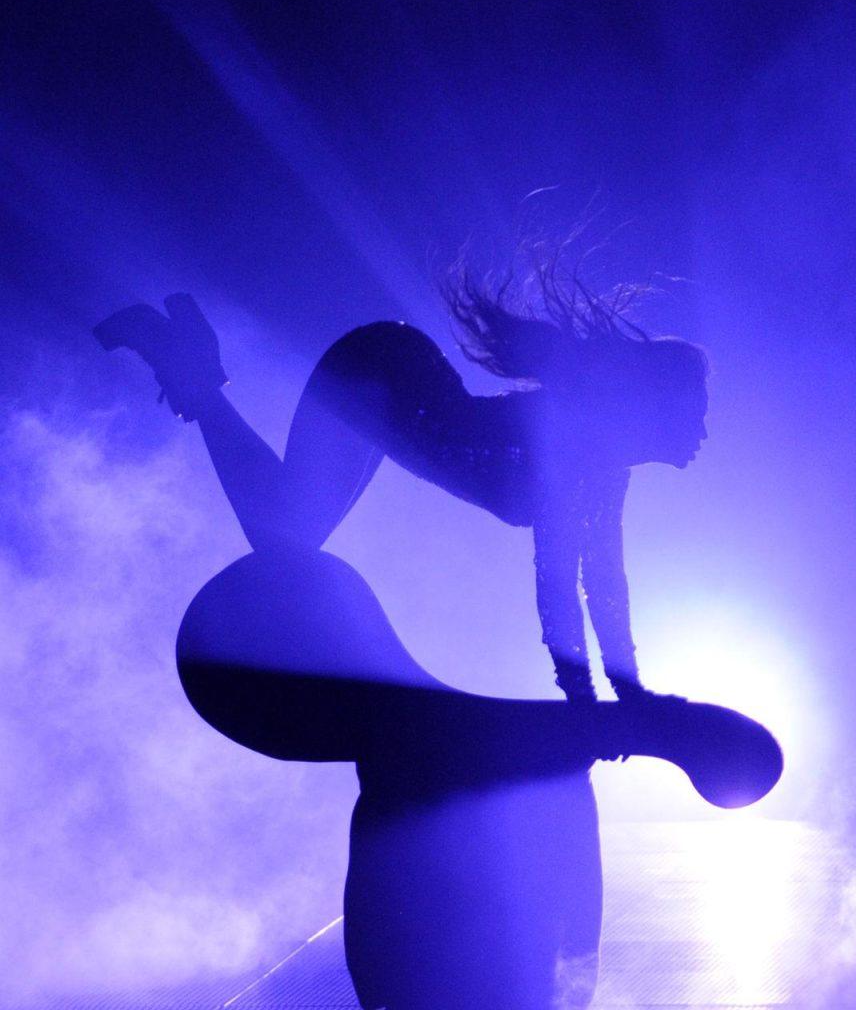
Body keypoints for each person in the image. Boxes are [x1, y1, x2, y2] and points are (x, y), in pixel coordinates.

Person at [94, 270, 776, 1009]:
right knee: (282, 531)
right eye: (697, 413)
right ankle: (192, 371)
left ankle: (188, 370)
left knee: (285, 530)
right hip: (380, 372)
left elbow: (603, 585)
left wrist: (627, 696)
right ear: (651, 410)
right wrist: (589, 704)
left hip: (397, 384)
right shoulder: (574, 446)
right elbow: (555, 580)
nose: (705, 433)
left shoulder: (602, 467)